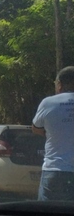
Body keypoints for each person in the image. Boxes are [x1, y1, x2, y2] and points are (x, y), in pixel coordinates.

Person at [32, 66, 74, 201]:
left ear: (60, 84)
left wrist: (52, 133)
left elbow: (36, 128)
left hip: (54, 171)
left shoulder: (48, 103)